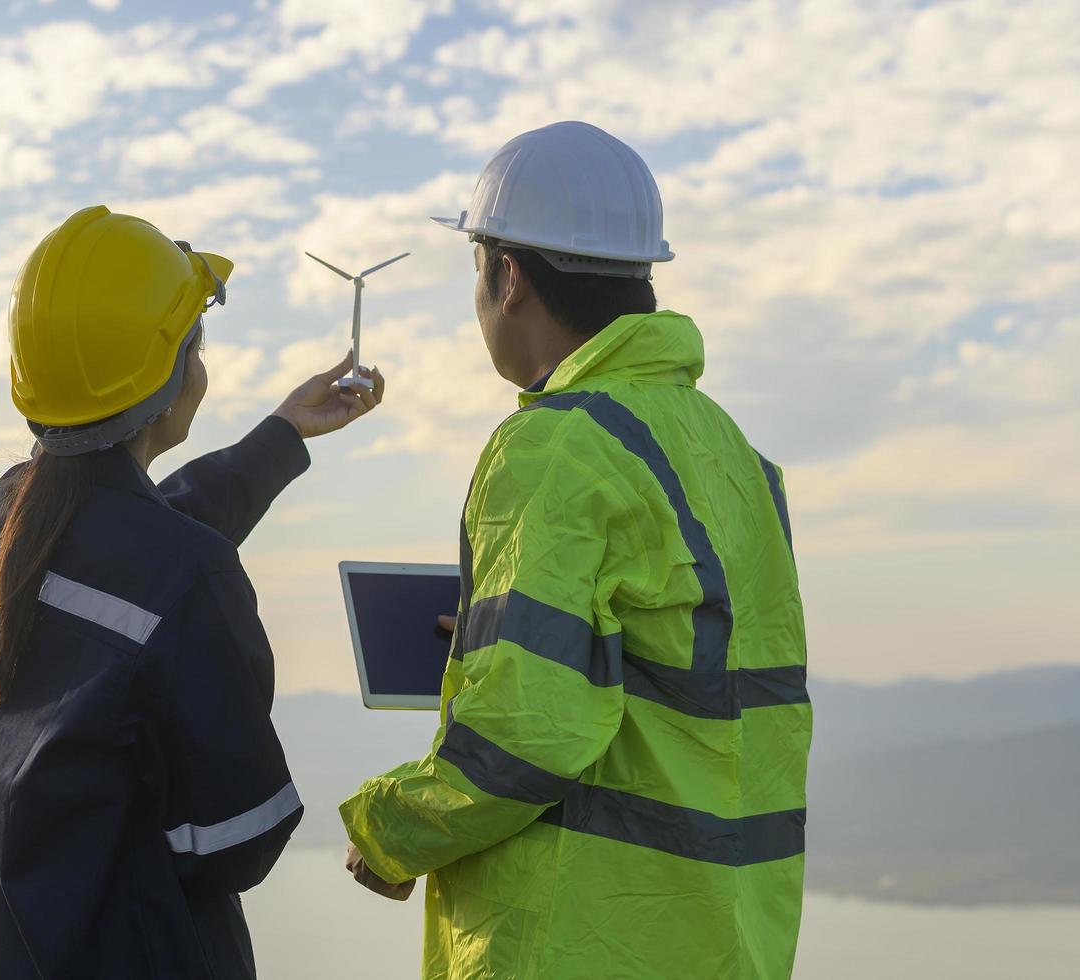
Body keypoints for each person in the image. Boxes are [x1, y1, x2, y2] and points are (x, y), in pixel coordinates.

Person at [339, 122, 811, 978]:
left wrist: (390, 830)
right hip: (724, 942)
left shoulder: (556, 445)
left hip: (582, 942)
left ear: (509, 277)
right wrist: (518, 636)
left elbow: (529, 736)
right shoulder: (734, 456)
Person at [0, 205, 386, 979]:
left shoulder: (9, 516)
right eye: (199, 344)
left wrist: (281, 435)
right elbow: (241, 835)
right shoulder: (189, 576)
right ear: (171, 372)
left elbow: (132, 541)